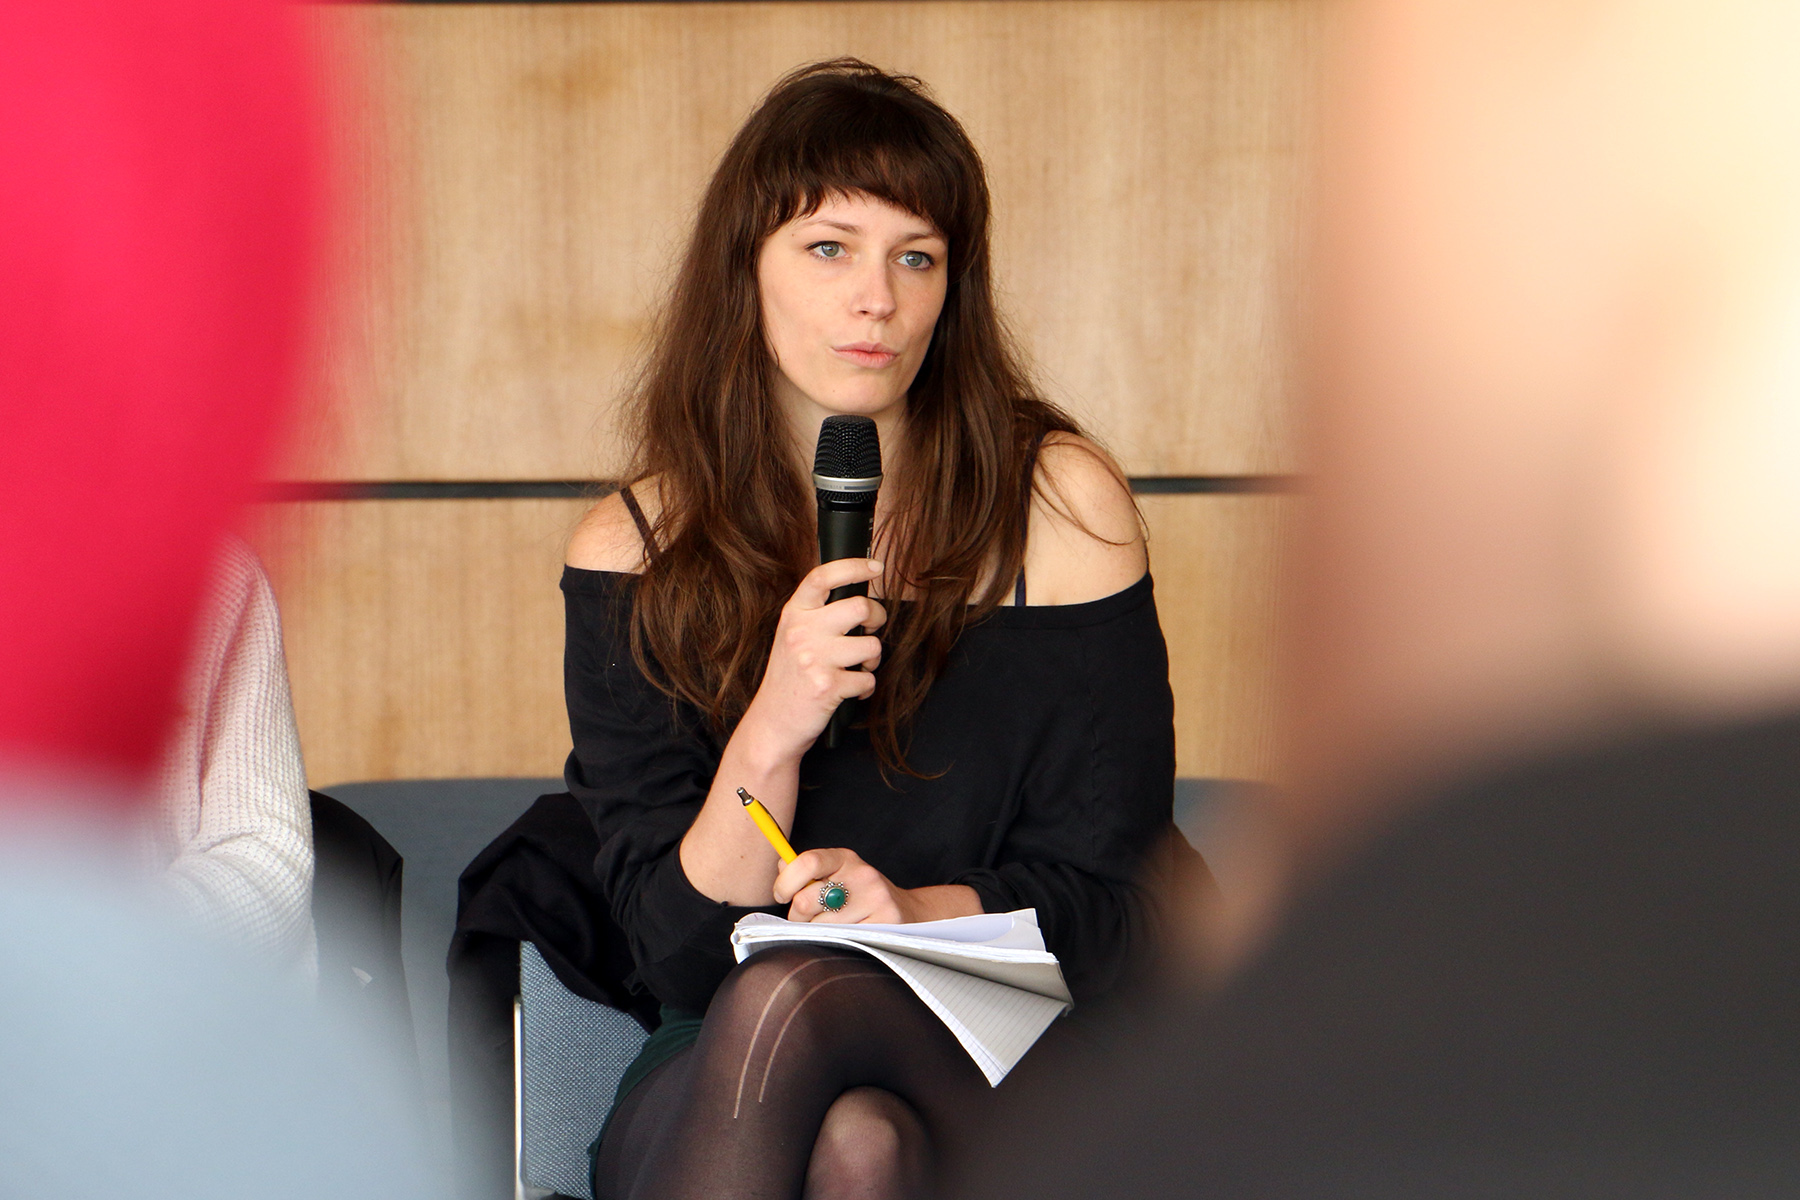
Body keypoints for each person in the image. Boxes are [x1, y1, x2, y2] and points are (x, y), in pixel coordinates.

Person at [555, 59, 1192, 1200]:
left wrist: (912, 914)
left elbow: (1121, 900)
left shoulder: (1059, 510)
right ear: (742, 272)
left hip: (1024, 1047)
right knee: (854, 1140)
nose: (877, 300)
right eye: (829, 248)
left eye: (917, 257)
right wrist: (774, 726)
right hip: (728, 1053)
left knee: (799, 1014)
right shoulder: (631, 553)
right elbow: (683, 959)